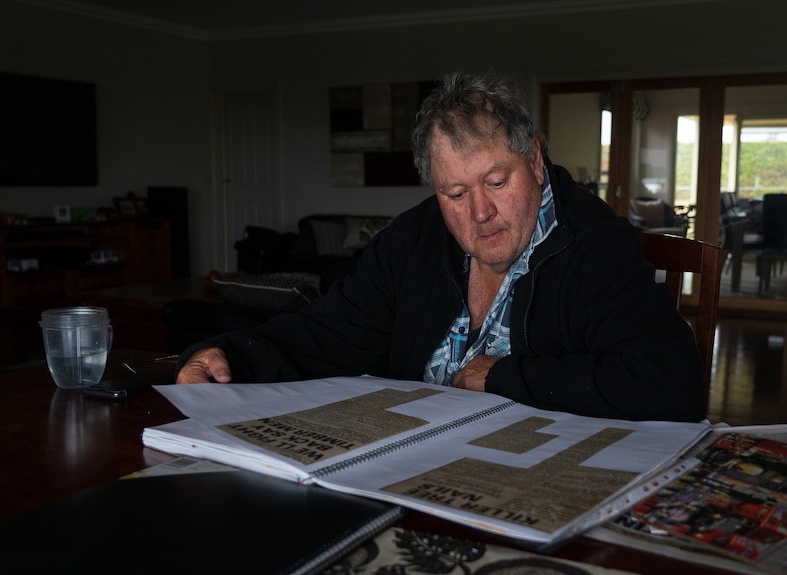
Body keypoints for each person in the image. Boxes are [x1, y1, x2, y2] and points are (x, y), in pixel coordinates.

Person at [176, 71, 705, 422]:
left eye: (497, 182)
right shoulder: (413, 239)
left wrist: (504, 376)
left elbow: (669, 383)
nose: (479, 212)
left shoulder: (594, 245)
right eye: (455, 193)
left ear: (536, 164)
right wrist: (227, 356)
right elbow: (328, 333)